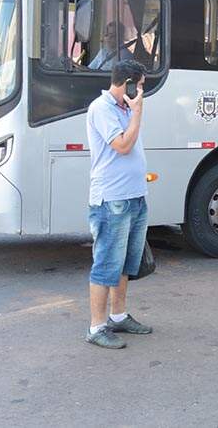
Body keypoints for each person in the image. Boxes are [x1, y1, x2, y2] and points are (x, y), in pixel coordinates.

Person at [84, 59, 153, 349]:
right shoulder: (101, 109)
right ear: (125, 84)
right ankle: (96, 327)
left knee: (124, 263)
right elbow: (122, 146)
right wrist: (137, 113)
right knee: (106, 264)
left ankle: (118, 316)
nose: (141, 92)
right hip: (112, 199)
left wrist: (133, 111)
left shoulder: (124, 108)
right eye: (138, 85)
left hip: (134, 197)